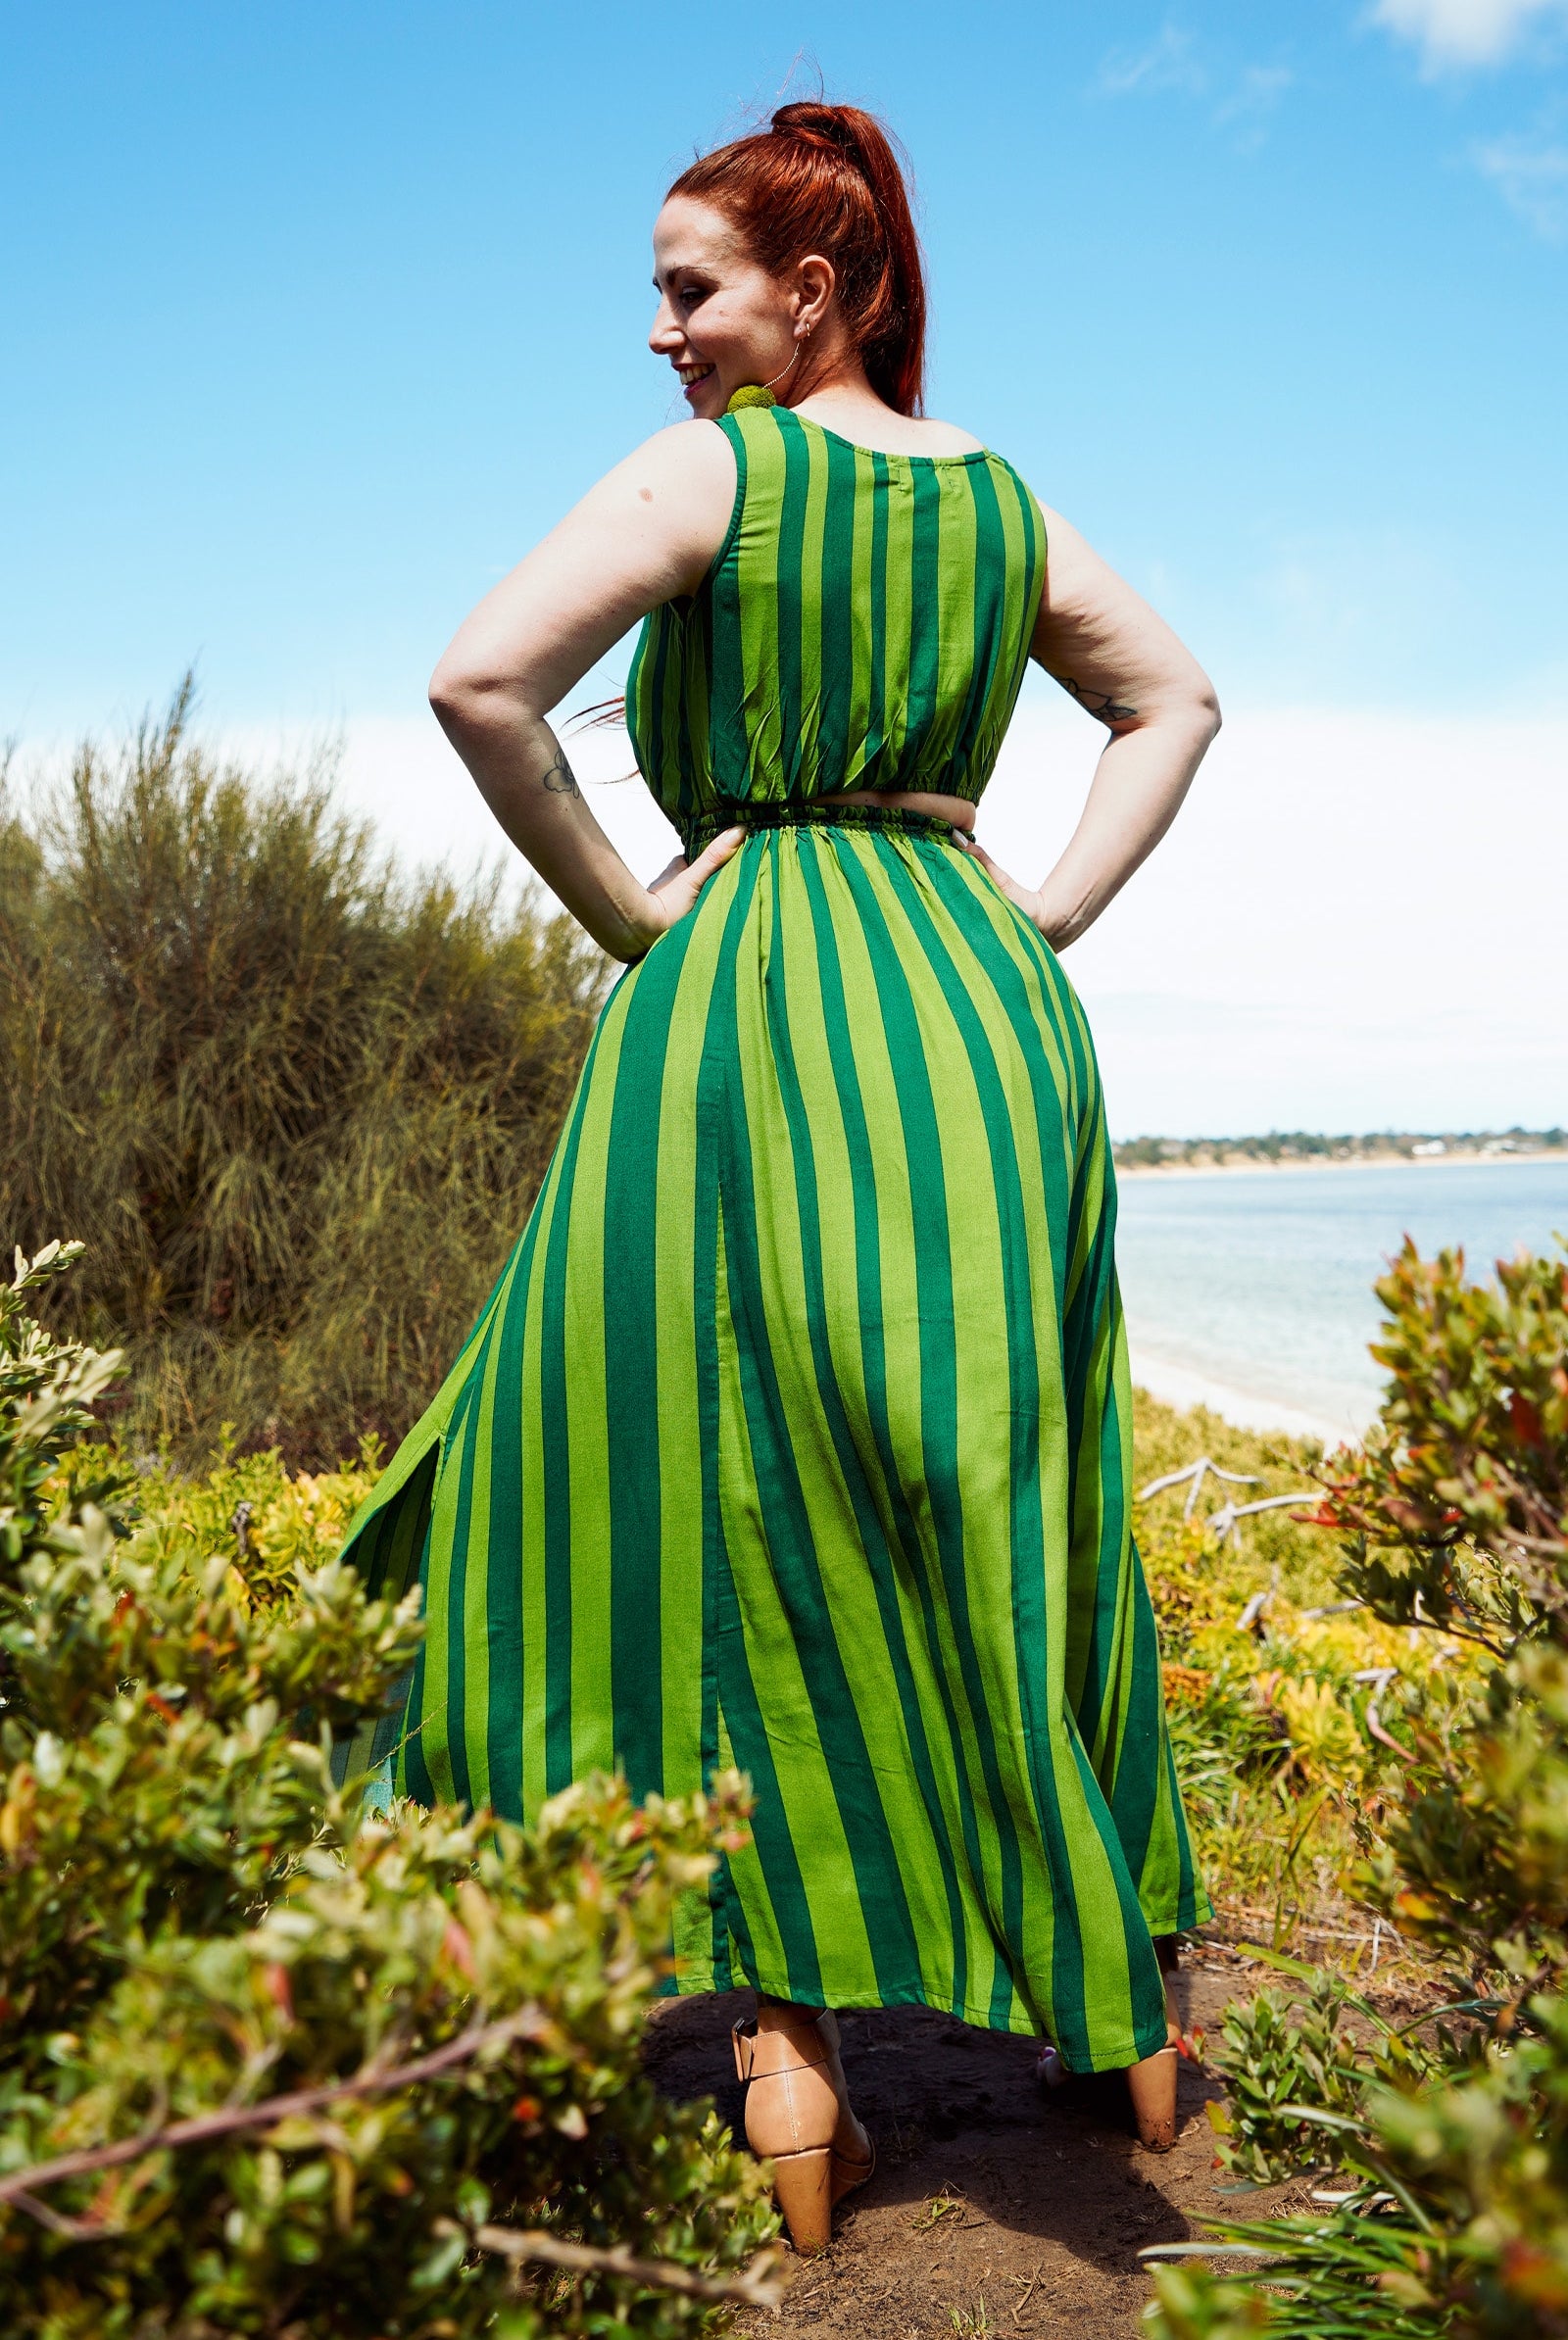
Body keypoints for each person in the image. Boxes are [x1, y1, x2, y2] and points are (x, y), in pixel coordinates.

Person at [337, 100, 1219, 2253]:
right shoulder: (998, 502)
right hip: (978, 1012)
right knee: (1000, 1478)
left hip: (752, 1003)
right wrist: (1043, 914)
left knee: (714, 1486)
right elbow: (1174, 704)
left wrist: (635, 918)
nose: (659, 334)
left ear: (811, 292)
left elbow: (478, 682)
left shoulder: (719, 475)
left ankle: (789, 2054)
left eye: (688, 289)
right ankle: (1116, 2017)